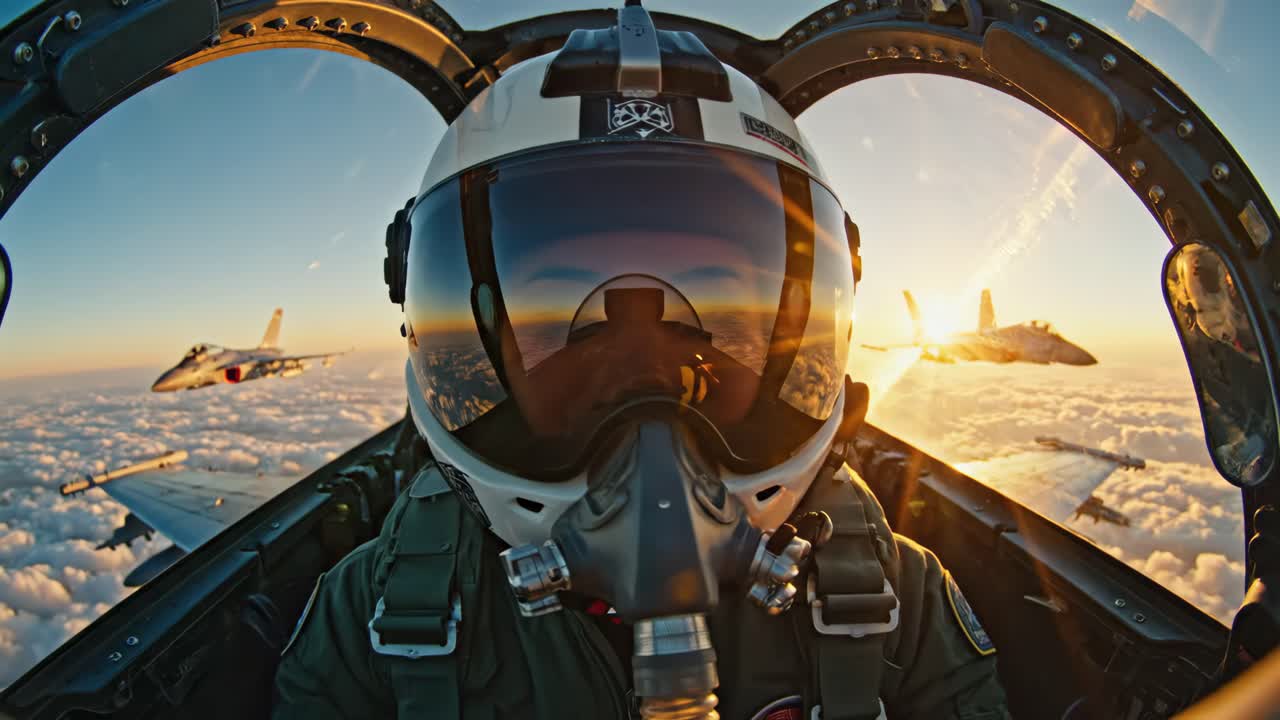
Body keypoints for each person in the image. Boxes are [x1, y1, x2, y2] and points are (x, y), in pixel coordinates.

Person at [273, 4, 1010, 718]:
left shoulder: (892, 597)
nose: (644, 387)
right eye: (572, 318)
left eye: (709, 311)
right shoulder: (380, 607)